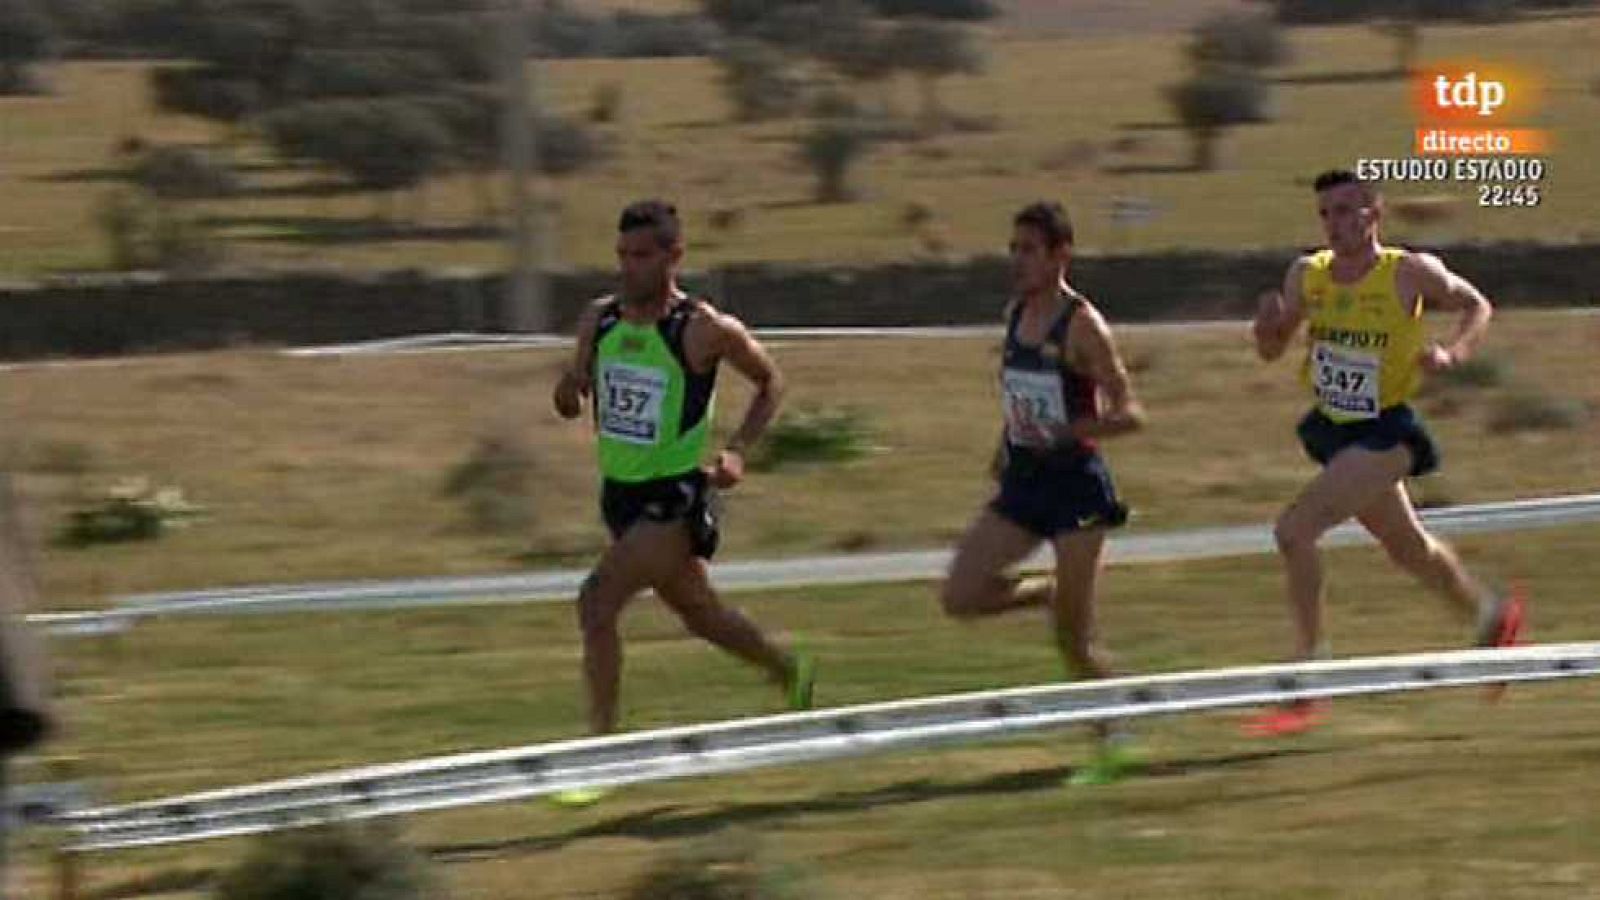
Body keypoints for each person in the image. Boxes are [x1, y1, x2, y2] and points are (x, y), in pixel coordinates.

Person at [1246, 168, 1524, 736]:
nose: (1336, 224)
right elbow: (1275, 350)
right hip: (1335, 431)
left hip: (1386, 433)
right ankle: (1492, 616)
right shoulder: (1308, 274)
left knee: (1293, 532)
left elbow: (1477, 304)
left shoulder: (1408, 272)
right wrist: (1266, 331)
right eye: (1326, 214)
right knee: (1410, 551)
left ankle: (1307, 673)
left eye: (1348, 211)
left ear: (1375, 213)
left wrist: (1453, 353)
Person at [551, 200, 814, 801]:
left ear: (674, 256)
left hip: (673, 498)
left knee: (595, 605)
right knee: (702, 615)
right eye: (622, 255)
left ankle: (601, 757)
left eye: (642, 256)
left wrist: (739, 450)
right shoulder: (601, 321)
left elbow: (770, 381)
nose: (628, 268)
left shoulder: (702, 329)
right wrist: (568, 390)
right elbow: (573, 398)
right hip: (618, 497)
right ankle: (788, 670)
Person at [938, 201, 1146, 786]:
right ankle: (1044, 593)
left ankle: (1115, 741)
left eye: (1030, 250)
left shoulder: (1083, 325)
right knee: (960, 594)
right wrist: (1008, 443)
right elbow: (1021, 399)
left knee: (1074, 643)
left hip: (1077, 487)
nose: (1018, 260)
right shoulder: (1014, 314)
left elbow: (1132, 413)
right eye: (1014, 249)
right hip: (1025, 479)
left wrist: (1074, 430)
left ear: (1061, 254)